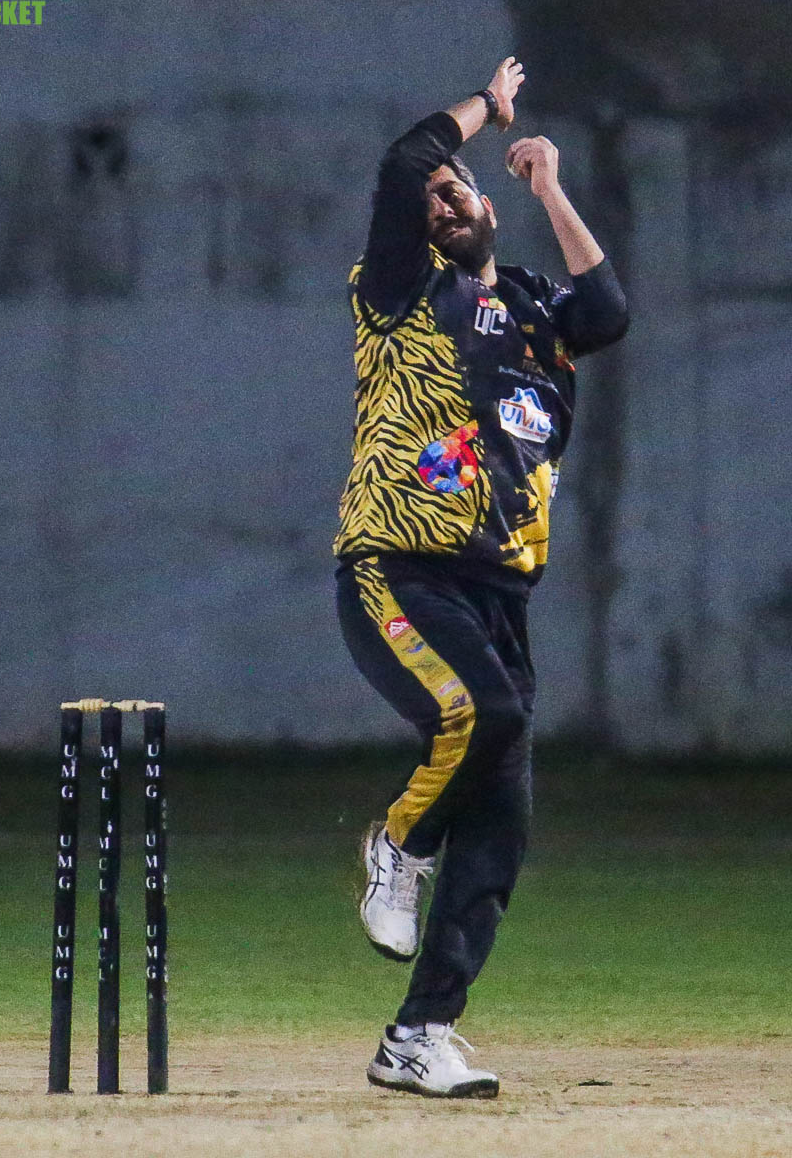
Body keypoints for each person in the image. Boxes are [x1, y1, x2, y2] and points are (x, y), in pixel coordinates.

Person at [333, 56, 628, 1099]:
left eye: (458, 189)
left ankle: (418, 1037)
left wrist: (550, 185)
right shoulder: (398, 288)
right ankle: (398, 843)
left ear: (489, 207)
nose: (445, 198)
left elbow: (608, 310)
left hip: (501, 591)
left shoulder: (538, 307)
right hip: (398, 569)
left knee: (501, 828)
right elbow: (404, 159)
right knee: (485, 715)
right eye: (433, 199)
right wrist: (487, 111)